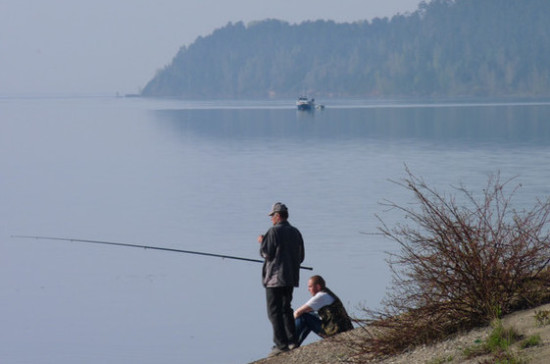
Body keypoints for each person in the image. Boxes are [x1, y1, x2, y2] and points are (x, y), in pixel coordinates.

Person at [258, 202, 305, 357]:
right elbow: (302, 257)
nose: (271, 219)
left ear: (278, 216)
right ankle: (292, 341)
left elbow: (266, 253)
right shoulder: (296, 232)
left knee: (274, 311)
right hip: (291, 278)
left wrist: (262, 241)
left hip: (274, 279)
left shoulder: (273, 232)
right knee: (286, 308)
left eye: (272, 216)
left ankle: (281, 345)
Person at [293, 275, 353, 346]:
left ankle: (291, 341)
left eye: (310, 287)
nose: (308, 289)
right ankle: (295, 342)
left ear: (318, 287)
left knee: (303, 316)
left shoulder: (321, 296)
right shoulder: (328, 294)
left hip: (335, 332)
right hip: (344, 328)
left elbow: (297, 312)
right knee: (310, 313)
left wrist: (287, 325)